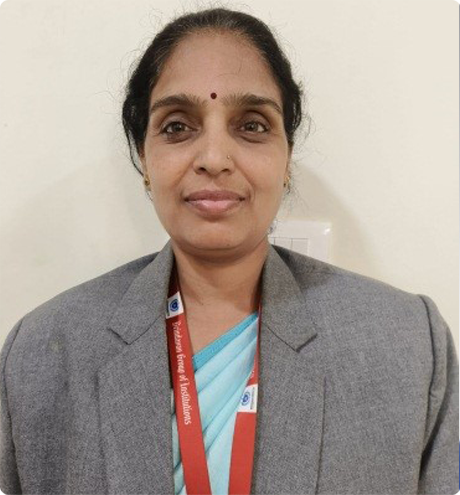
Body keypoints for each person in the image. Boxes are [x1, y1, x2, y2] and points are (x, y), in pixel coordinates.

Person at [0, 7, 458, 495]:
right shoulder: (43, 354)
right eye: (177, 126)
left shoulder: (405, 346)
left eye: (252, 126)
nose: (214, 159)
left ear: (286, 157)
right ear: (144, 159)